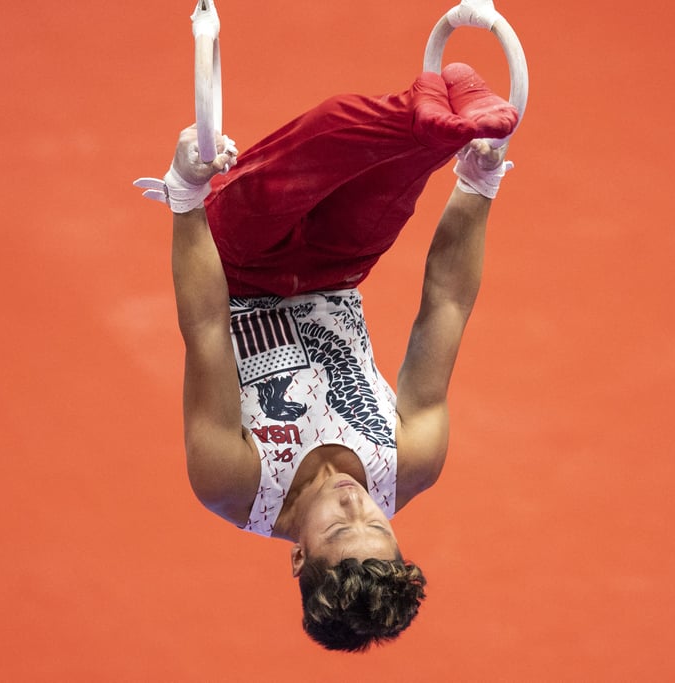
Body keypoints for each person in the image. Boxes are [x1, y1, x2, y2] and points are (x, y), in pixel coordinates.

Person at [135, 63, 518, 651]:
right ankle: (445, 124)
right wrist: (479, 184)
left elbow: (206, 327)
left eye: (341, 527)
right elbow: (445, 305)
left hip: (238, 264)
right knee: (400, 176)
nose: (356, 501)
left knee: (329, 135)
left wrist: (186, 196)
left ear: (298, 558)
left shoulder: (232, 483)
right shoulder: (411, 462)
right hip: (338, 268)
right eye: (377, 524)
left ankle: (420, 110)